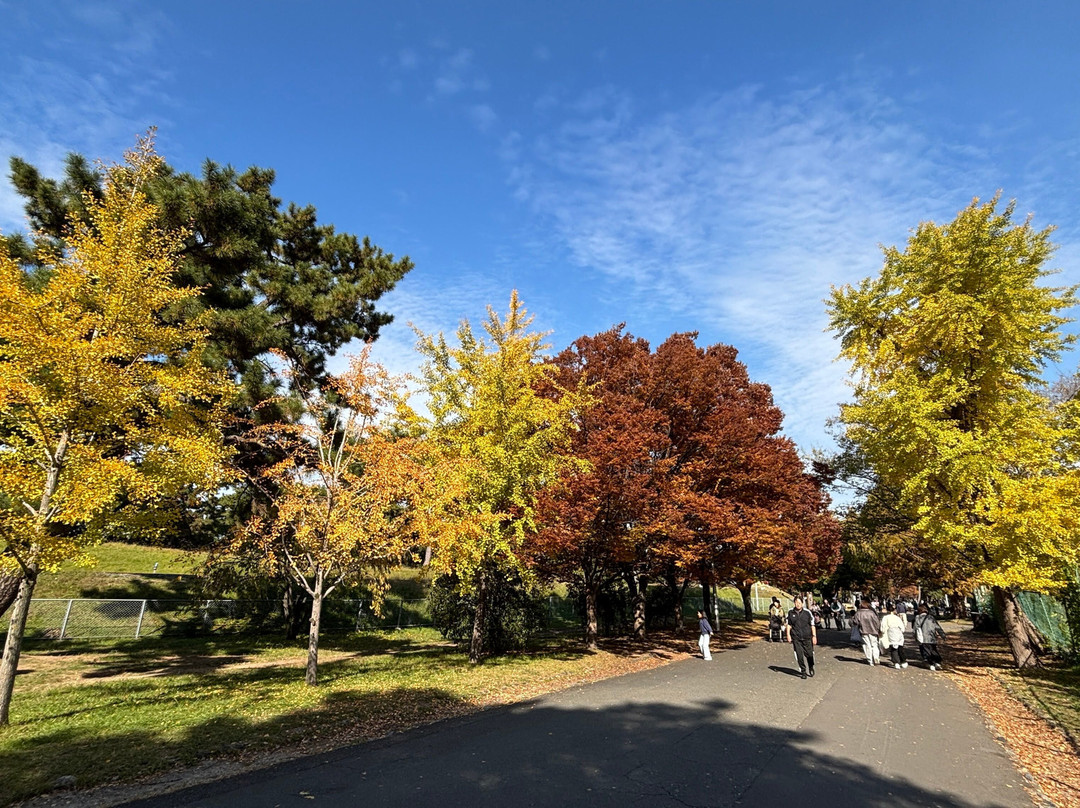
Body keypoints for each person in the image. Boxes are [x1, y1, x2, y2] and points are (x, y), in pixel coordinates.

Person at [786, 596, 817, 679]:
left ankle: (811, 666)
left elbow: (812, 625)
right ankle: (803, 671)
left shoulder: (807, 613)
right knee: (799, 655)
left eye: (799, 603)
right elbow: (789, 625)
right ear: (794, 603)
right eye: (796, 602)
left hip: (807, 637)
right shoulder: (790, 612)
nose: (798, 604)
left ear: (802, 603)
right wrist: (788, 635)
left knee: (809, 654)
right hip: (796, 637)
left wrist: (814, 636)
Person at [914, 603, 946, 670]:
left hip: (923, 637)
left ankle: (931, 663)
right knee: (933, 650)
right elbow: (937, 627)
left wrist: (915, 637)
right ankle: (937, 662)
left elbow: (916, 628)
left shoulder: (917, 618)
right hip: (932, 637)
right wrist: (942, 635)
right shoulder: (931, 617)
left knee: (927, 651)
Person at [852, 599, 881, 666]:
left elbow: (855, 622)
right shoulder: (872, 612)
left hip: (863, 631)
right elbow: (877, 622)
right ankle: (876, 657)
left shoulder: (859, 613)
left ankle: (870, 660)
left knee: (867, 645)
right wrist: (878, 629)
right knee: (874, 645)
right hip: (873, 631)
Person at [880, 602, 908, 669]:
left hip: (890, 633)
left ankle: (896, 662)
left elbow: (883, 627)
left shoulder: (885, 618)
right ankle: (903, 661)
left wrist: (882, 632)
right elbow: (902, 628)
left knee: (893, 648)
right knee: (900, 647)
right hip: (898, 633)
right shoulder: (897, 618)